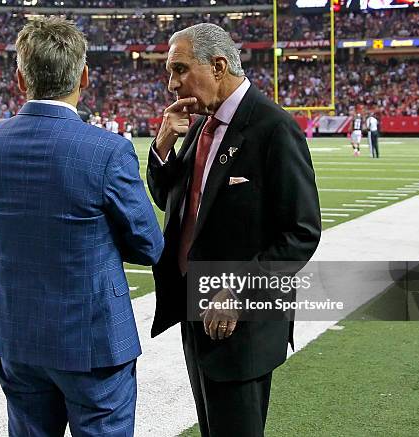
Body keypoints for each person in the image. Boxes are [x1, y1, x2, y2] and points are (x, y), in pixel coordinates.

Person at [0, 17, 164, 437]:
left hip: (16, 333)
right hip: (92, 338)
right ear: (84, 77)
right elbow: (149, 245)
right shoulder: (107, 149)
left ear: (20, 79)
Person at [146, 23, 321, 437]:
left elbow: (301, 232)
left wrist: (239, 290)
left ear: (219, 66)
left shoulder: (272, 127)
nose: (173, 85)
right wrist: (163, 145)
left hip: (240, 319)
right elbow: (172, 202)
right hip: (196, 306)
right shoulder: (201, 124)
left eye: (180, 70)